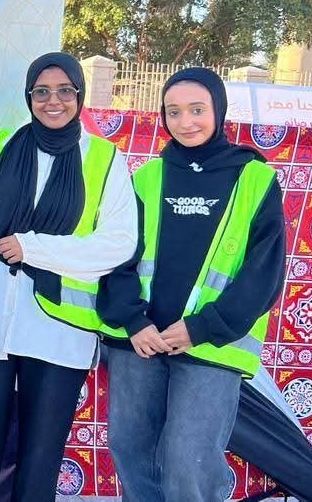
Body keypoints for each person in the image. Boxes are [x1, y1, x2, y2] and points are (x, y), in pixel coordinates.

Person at [0, 52, 138, 502]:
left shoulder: (103, 158)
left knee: (39, 463)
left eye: (64, 91)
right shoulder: (0, 146)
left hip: (58, 333)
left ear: (79, 94)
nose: (53, 101)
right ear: (28, 96)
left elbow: (119, 244)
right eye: (42, 91)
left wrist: (33, 247)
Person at [97, 67, 285, 502]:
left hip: (211, 343)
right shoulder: (147, 177)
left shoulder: (255, 179)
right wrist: (133, 321)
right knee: (131, 450)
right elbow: (117, 257)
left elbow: (264, 272)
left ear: (219, 110)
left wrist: (201, 328)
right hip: (140, 341)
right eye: (174, 112)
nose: (186, 122)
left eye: (197, 110)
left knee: (189, 461)